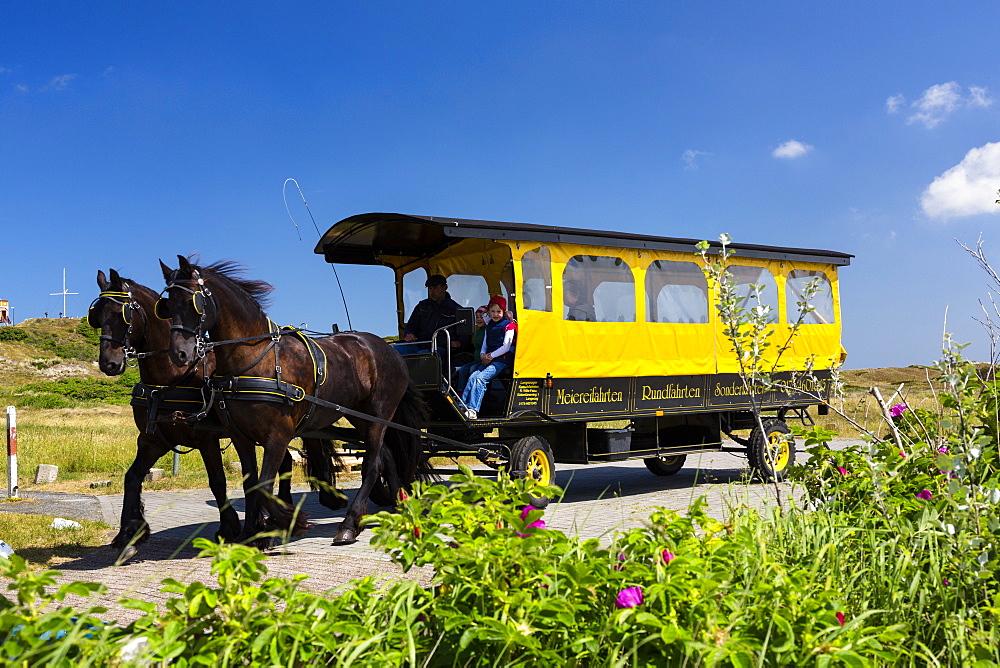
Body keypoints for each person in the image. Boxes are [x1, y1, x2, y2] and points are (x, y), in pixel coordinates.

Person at [460, 296, 516, 420]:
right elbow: (485, 343)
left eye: (498, 311)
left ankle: (473, 409)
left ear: (503, 312)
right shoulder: (489, 325)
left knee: (480, 379)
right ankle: (463, 405)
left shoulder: (509, 326)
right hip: (491, 358)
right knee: (473, 376)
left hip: (502, 359)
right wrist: (482, 354)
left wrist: (490, 356)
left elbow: (506, 346)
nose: (495, 314)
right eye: (493, 311)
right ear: (489, 313)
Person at [403, 274, 463, 350]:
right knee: (399, 352)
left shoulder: (456, 309)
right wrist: (409, 334)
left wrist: (458, 342)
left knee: (424, 357)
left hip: (443, 347)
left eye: (435, 288)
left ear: (445, 287)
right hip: (419, 344)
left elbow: (463, 336)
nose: (432, 291)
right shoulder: (421, 306)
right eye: (430, 288)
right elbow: (411, 325)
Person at [454, 305, 488, 392]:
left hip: (484, 360)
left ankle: (471, 393)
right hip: (477, 360)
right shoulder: (477, 331)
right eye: (476, 317)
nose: (479, 319)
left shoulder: (488, 330)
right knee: (463, 370)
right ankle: (460, 393)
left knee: (472, 369)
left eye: (482, 317)